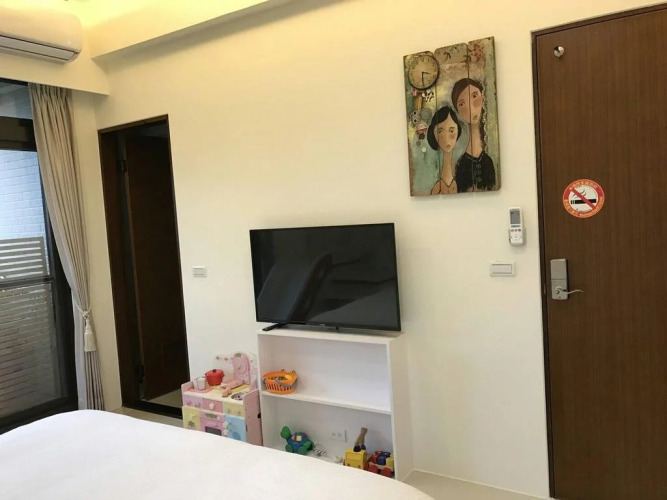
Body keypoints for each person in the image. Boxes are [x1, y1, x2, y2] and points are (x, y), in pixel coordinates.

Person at [451, 78, 496, 192]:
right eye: (462, 104)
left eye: (475, 96)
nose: (470, 108)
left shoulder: (489, 161)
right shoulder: (461, 165)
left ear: (482, 96)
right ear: (458, 111)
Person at [427, 106, 462, 195]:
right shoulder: (436, 188)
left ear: (458, 131)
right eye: (440, 131)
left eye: (451, 131)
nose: (446, 138)